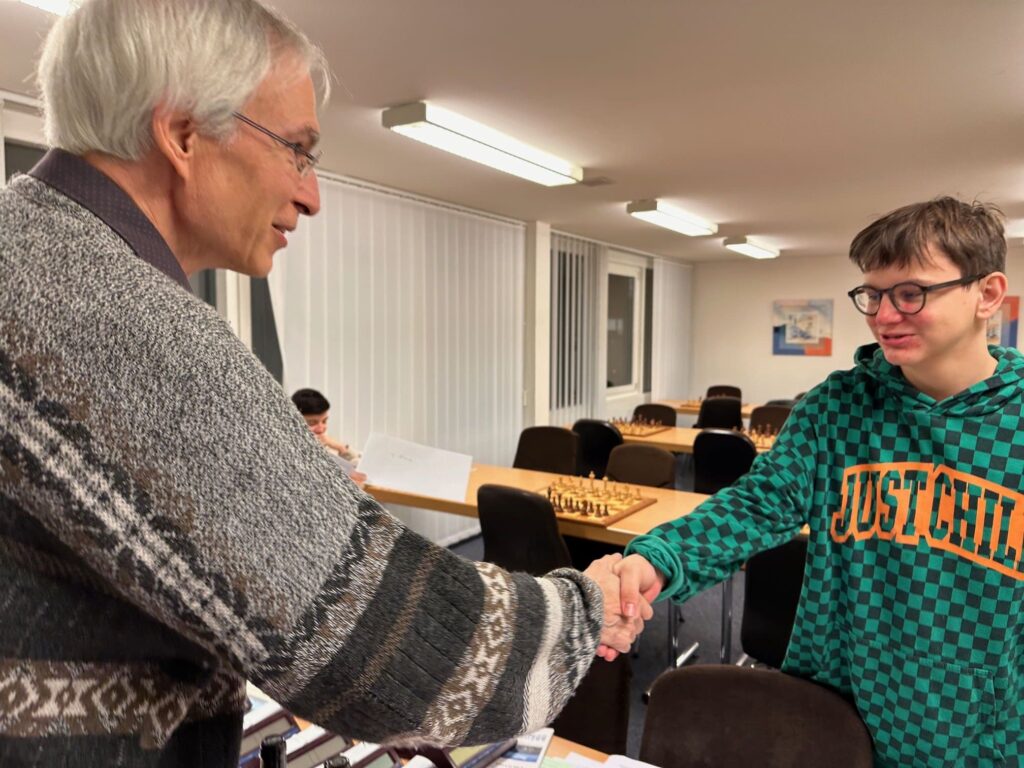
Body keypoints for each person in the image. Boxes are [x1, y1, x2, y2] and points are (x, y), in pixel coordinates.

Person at [0, 1, 650, 766]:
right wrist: (586, 606)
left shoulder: (27, 252)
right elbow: (388, 652)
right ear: (182, 134)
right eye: (298, 151)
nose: (312, 195)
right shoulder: (105, 309)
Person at [617, 197, 1021, 766]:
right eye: (873, 295)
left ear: (986, 293)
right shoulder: (836, 408)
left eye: (911, 293)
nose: (884, 315)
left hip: (978, 733)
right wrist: (656, 558)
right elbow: (756, 506)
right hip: (833, 713)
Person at [291, 387, 366, 486]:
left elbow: (362, 470)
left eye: (324, 421)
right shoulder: (289, 451)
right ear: (293, 421)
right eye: (312, 423)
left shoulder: (326, 443)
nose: (321, 429)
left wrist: (342, 448)